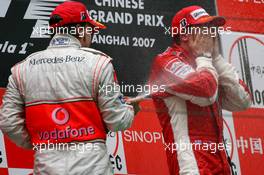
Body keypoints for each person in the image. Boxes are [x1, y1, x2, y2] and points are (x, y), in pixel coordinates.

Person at [0, 1, 136, 175]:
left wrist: (40, 143)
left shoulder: (21, 69)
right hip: (93, 168)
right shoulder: (99, 63)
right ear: (80, 30)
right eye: (90, 29)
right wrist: (130, 109)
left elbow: (8, 122)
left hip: (46, 165)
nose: (92, 35)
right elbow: (118, 122)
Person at [148, 5, 252, 175]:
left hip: (220, 162)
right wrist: (205, 56)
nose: (211, 34)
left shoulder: (207, 63)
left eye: (212, 29)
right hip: (191, 166)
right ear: (184, 35)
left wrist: (216, 58)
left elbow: (243, 100)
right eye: (203, 28)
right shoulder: (165, 61)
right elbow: (207, 92)